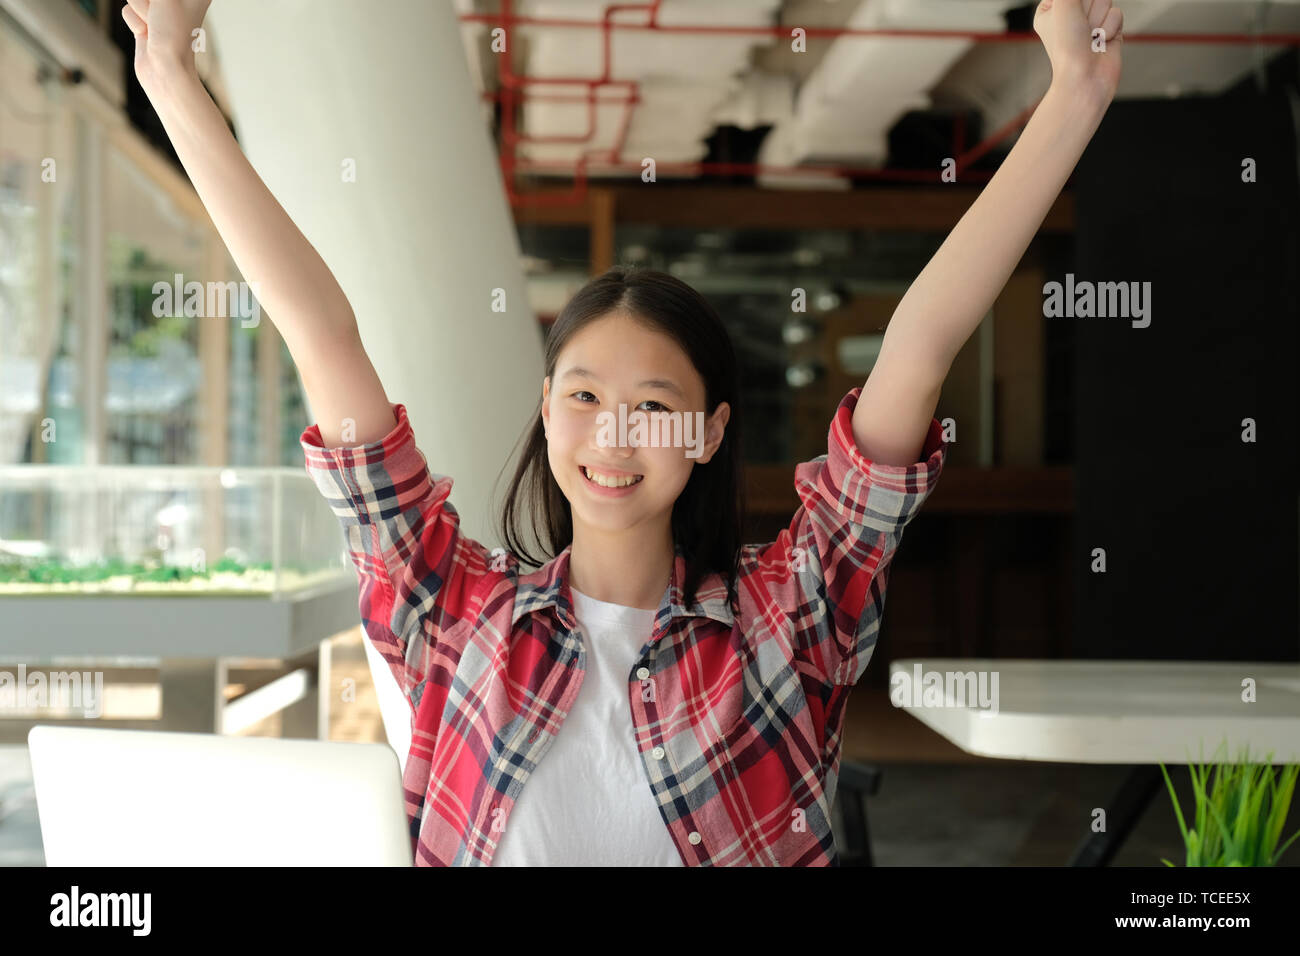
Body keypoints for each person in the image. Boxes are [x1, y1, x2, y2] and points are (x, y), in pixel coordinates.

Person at [122, 0, 1123, 866]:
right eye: (583, 395)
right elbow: (321, 329)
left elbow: (920, 343)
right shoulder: (452, 609)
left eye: (652, 405)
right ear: (547, 408)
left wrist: (1072, 92)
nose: (612, 434)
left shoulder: (787, 619)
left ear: (707, 431)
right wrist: (171, 76)